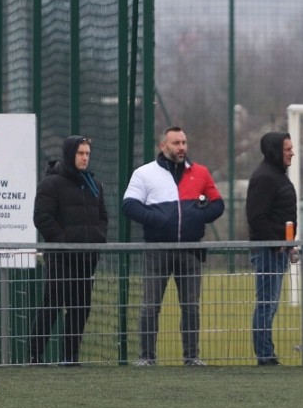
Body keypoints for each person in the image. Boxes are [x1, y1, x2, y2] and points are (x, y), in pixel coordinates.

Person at [123, 126, 224, 366]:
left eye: (184, 143)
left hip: (190, 250)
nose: (181, 148)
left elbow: (217, 204)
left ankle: (191, 357)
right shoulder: (144, 174)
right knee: (150, 306)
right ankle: (146, 357)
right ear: (163, 146)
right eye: (176, 143)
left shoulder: (200, 173)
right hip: (156, 250)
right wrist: (157, 219)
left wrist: (200, 216)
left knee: (190, 306)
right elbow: (129, 206)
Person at [30, 135, 108, 366]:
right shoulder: (50, 184)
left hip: (86, 259)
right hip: (61, 259)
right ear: (70, 154)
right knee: (51, 307)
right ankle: (35, 356)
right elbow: (42, 217)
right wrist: (64, 241)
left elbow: (102, 217)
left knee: (80, 309)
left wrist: (97, 239)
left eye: (87, 154)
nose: (84, 158)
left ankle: (70, 357)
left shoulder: (94, 185)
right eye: (80, 153)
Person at [245, 131, 298, 366]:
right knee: (266, 303)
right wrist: (275, 241)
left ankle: (267, 353)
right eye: (288, 149)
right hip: (268, 251)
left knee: (270, 303)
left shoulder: (275, 175)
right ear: (276, 151)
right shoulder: (265, 177)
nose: (292, 153)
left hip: (278, 250)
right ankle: (265, 355)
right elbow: (256, 216)